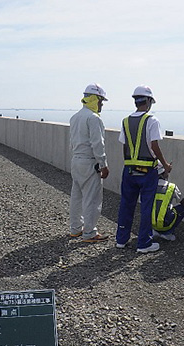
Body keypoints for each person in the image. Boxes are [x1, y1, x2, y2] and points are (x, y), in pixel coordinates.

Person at [116, 85, 172, 253]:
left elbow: (124, 146)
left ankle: (121, 239)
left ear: (135, 100)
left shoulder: (125, 121)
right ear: (148, 101)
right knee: (146, 207)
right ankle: (144, 243)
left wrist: (129, 163)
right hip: (148, 171)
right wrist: (166, 165)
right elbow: (154, 145)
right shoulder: (152, 120)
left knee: (126, 204)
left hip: (129, 170)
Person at [68, 84, 110, 243]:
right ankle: (90, 233)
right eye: (101, 101)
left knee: (76, 197)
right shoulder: (93, 118)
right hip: (90, 162)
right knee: (92, 198)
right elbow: (98, 144)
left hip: (76, 160)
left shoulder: (75, 117)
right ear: (95, 99)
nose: (102, 104)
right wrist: (103, 164)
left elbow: (71, 142)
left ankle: (75, 229)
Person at [152, 166, 184, 241]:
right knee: (181, 209)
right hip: (165, 224)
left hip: (151, 222)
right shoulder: (171, 187)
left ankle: (153, 231)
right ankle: (167, 233)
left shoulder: (149, 186)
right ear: (164, 174)